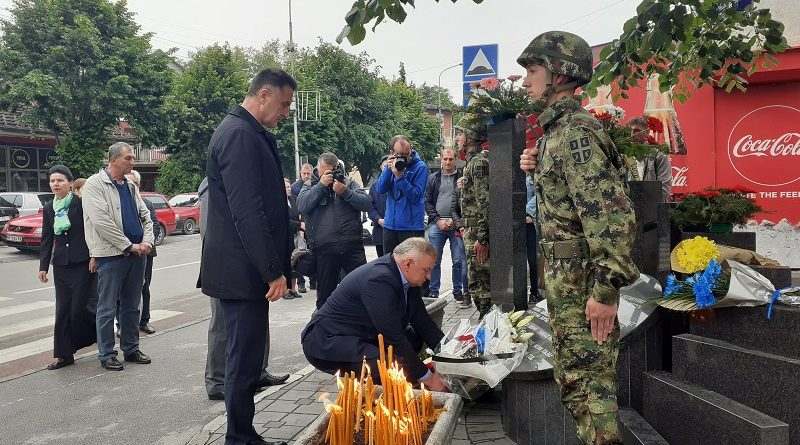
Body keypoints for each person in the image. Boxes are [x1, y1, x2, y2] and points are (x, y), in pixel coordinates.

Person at [518, 31, 639, 445]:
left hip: (583, 283)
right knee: (577, 383)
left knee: (590, 387)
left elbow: (610, 217)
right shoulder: (557, 134)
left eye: (533, 70)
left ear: (560, 74)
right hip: (567, 280)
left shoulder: (575, 133)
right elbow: (569, 204)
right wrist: (537, 166)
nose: (525, 81)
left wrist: (605, 290)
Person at [199, 68, 295, 445]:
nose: (286, 112)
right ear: (264, 94)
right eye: (284, 104)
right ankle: (239, 438)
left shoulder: (247, 131)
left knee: (247, 357)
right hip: (242, 272)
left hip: (244, 270)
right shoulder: (239, 134)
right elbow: (247, 211)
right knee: (242, 360)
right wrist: (272, 271)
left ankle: (243, 434)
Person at [301, 237, 449, 391]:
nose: (429, 277)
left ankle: (401, 386)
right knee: (383, 363)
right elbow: (393, 336)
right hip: (327, 341)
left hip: (358, 334)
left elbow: (422, 321)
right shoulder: (379, 280)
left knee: (413, 340)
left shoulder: (406, 277)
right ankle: (378, 397)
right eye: (426, 270)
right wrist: (427, 377)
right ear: (408, 264)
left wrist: (449, 354)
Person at [82, 142, 155, 371]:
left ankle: (131, 349)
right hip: (111, 255)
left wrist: (147, 242)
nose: (133, 162)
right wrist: (128, 246)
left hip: (137, 254)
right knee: (107, 308)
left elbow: (146, 216)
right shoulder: (95, 184)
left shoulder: (130, 186)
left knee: (132, 305)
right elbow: (101, 222)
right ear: (113, 160)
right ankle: (106, 354)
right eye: (128, 158)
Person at [37, 165, 97, 370]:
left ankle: (100, 333)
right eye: (52, 181)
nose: (56, 184)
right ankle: (64, 355)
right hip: (61, 264)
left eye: (60, 180)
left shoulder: (80, 204)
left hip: (83, 263)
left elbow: (92, 230)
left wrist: (94, 255)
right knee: (62, 310)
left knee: (79, 309)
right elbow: (47, 238)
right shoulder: (49, 208)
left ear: (70, 183)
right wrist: (43, 266)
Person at [297, 152, 371, 309]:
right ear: (318, 169)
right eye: (326, 172)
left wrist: (345, 192)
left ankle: (361, 321)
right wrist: (321, 186)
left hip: (352, 246)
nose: (330, 175)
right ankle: (324, 322)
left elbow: (366, 203)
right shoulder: (310, 185)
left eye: (332, 171)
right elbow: (302, 206)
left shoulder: (348, 183)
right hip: (324, 248)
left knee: (362, 289)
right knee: (325, 296)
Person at [454, 116, 491, 317]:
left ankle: (489, 322)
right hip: (471, 230)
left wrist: (483, 239)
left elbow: (486, 203)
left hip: (477, 232)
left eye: (460, 134)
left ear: (470, 137)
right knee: (476, 283)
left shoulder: (478, 163)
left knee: (481, 285)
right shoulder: (471, 163)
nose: (457, 138)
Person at [375, 135, 428, 255]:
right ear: (392, 153)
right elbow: (380, 189)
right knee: (389, 263)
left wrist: (400, 177)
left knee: (411, 263)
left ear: (411, 149)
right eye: (400, 155)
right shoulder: (390, 166)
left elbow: (416, 196)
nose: (404, 158)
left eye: (406, 154)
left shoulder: (420, 167)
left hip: (411, 227)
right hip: (390, 226)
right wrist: (388, 170)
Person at [424, 148, 465, 300]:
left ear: (456, 160)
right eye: (445, 159)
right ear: (441, 159)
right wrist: (437, 220)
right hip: (437, 224)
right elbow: (427, 202)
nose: (448, 162)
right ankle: (434, 291)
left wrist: (456, 221)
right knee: (434, 260)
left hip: (456, 224)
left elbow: (466, 202)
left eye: (450, 159)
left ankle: (458, 291)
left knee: (458, 260)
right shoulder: (433, 178)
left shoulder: (462, 178)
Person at [125, 169, 159, 334]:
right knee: (123, 290)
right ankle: (124, 325)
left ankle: (144, 321)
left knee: (144, 288)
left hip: (145, 253)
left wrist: (146, 244)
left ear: (138, 185)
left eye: (133, 183)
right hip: (125, 252)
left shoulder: (147, 204)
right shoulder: (119, 204)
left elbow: (154, 226)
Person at [627, 116, 672, 201]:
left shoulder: (659, 156)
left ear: (647, 133)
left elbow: (664, 189)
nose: (632, 134)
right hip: (629, 207)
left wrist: (644, 203)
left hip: (653, 207)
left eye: (636, 131)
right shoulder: (625, 156)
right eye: (630, 131)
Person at [291, 162, 313, 293]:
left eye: (308, 173)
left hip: (312, 223)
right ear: (300, 173)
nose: (306, 175)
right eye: (304, 173)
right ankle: (301, 283)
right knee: (300, 253)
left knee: (312, 251)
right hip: (300, 223)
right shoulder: (295, 187)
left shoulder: (314, 185)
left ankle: (314, 280)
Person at [284, 178, 303, 300]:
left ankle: (293, 289)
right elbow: (284, 220)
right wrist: (299, 224)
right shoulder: (278, 202)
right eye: (286, 187)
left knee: (295, 261)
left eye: (289, 187)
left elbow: (300, 214)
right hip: (285, 236)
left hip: (295, 236)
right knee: (286, 263)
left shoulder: (293, 200)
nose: (288, 189)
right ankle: (286, 290)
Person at [525, 175, 542, 303]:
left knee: (533, 259)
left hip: (529, 222)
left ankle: (534, 292)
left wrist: (528, 212)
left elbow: (538, 195)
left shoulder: (532, 177)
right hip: (520, 222)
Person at [368, 157, 389, 257]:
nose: (387, 168)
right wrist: (378, 219)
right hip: (380, 231)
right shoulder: (375, 186)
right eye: (385, 166)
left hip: (399, 230)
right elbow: (370, 207)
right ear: (380, 167)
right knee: (382, 261)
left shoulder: (399, 183)